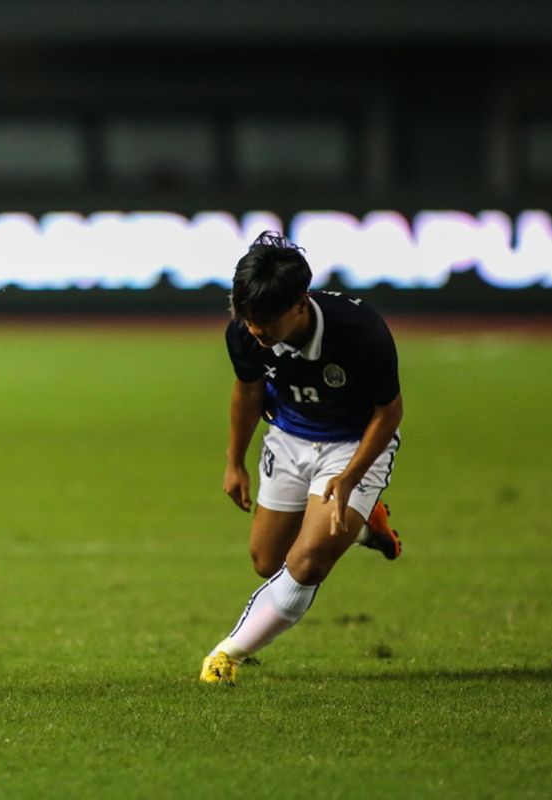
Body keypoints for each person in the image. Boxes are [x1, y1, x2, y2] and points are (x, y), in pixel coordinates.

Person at [200, 231, 403, 686]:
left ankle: (227, 654)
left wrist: (351, 479)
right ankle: (365, 525)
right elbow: (248, 389)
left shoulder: (359, 332)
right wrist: (234, 461)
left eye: (266, 320)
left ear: (298, 304)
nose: (255, 330)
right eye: (247, 316)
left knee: (308, 561)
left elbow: (389, 412)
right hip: (289, 439)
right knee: (267, 561)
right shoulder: (245, 330)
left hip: (354, 444)